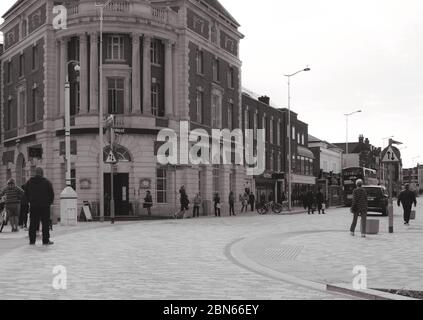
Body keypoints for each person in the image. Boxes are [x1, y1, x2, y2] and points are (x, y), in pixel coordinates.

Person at [24, 168, 55, 245]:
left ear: (35, 173)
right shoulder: (47, 182)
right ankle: (45, 240)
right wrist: (49, 202)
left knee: (33, 224)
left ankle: (32, 240)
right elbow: (51, 194)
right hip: (45, 206)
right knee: (45, 224)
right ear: (42, 173)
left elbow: (26, 193)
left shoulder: (29, 182)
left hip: (34, 206)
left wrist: (30, 201)